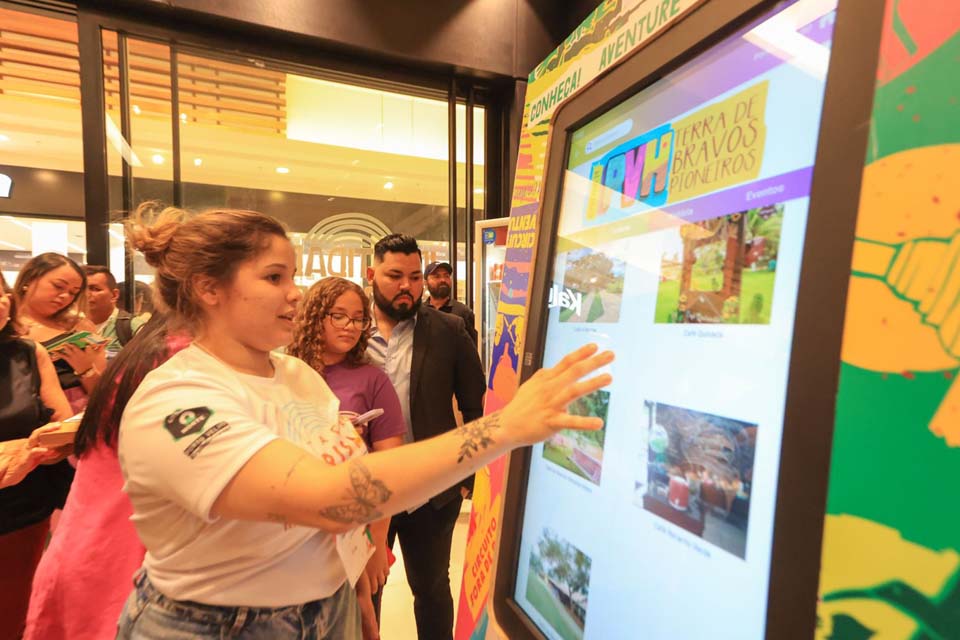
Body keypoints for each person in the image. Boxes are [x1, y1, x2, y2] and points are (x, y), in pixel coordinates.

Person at [114, 204, 612, 639]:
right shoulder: (177, 404)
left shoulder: (295, 376)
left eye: (293, 276)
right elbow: (333, 498)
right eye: (274, 278)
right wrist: (505, 428)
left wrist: (348, 587)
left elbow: (347, 492)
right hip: (222, 625)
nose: (295, 294)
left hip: (326, 606)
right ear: (208, 289)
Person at [25, 314, 190, 640]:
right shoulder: (182, 358)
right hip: (128, 547)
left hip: (93, 539)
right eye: (272, 277)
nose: (292, 296)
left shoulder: (152, 348)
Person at [366, 235, 486, 640]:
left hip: (431, 488)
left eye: (415, 277)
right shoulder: (350, 331)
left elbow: (473, 403)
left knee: (432, 587)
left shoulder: (449, 330)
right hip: (364, 488)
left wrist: (470, 472)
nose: (407, 286)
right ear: (372, 275)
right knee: (367, 589)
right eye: (395, 275)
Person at [288, 276, 407, 640]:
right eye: (338, 316)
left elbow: (389, 470)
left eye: (357, 319)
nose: (350, 327)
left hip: (357, 529)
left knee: (360, 624)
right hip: (291, 531)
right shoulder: (284, 371)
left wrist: (377, 544)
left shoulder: (373, 380)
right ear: (314, 316)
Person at [0, 271, 74, 639]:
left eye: (0, 292)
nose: (0, 301)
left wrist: (48, 448)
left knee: (12, 608)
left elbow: (61, 424)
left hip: (22, 507)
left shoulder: (27, 352)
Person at [15, 253, 107, 412]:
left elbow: (104, 392)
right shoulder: (9, 327)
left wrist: (86, 370)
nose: (65, 296)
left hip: (79, 418)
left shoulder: (79, 326)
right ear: (30, 279)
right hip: (26, 420)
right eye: (58, 286)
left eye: (73, 292)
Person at [84, 265, 146, 357]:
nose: (86, 294)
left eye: (95, 289)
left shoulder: (134, 327)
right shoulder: (68, 326)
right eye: (81, 289)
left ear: (114, 295)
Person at [424, 260, 478, 345]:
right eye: (437, 276)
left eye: (446, 276)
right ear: (426, 282)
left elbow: (474, 347)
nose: (443, 280)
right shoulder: (420, 312)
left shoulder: (463, 312)